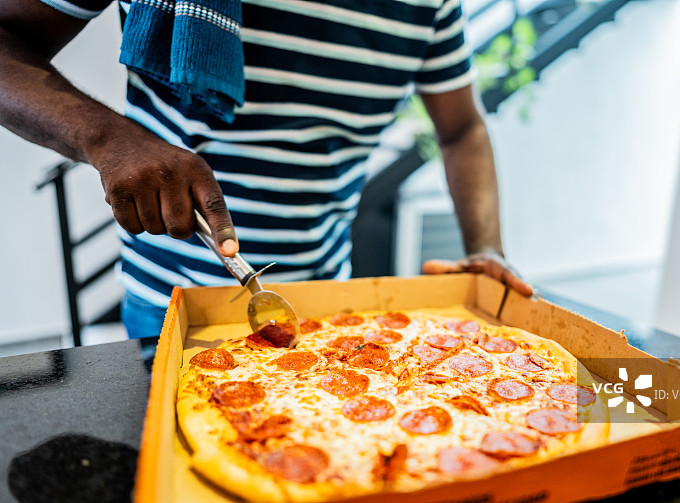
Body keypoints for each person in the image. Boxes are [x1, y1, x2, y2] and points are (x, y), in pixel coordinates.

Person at [0, 0, 533, 339]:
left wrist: (487, 247)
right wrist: (108, 137)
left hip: (329, 301)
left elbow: (462, 129)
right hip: (171, 305)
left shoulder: (430, 5)